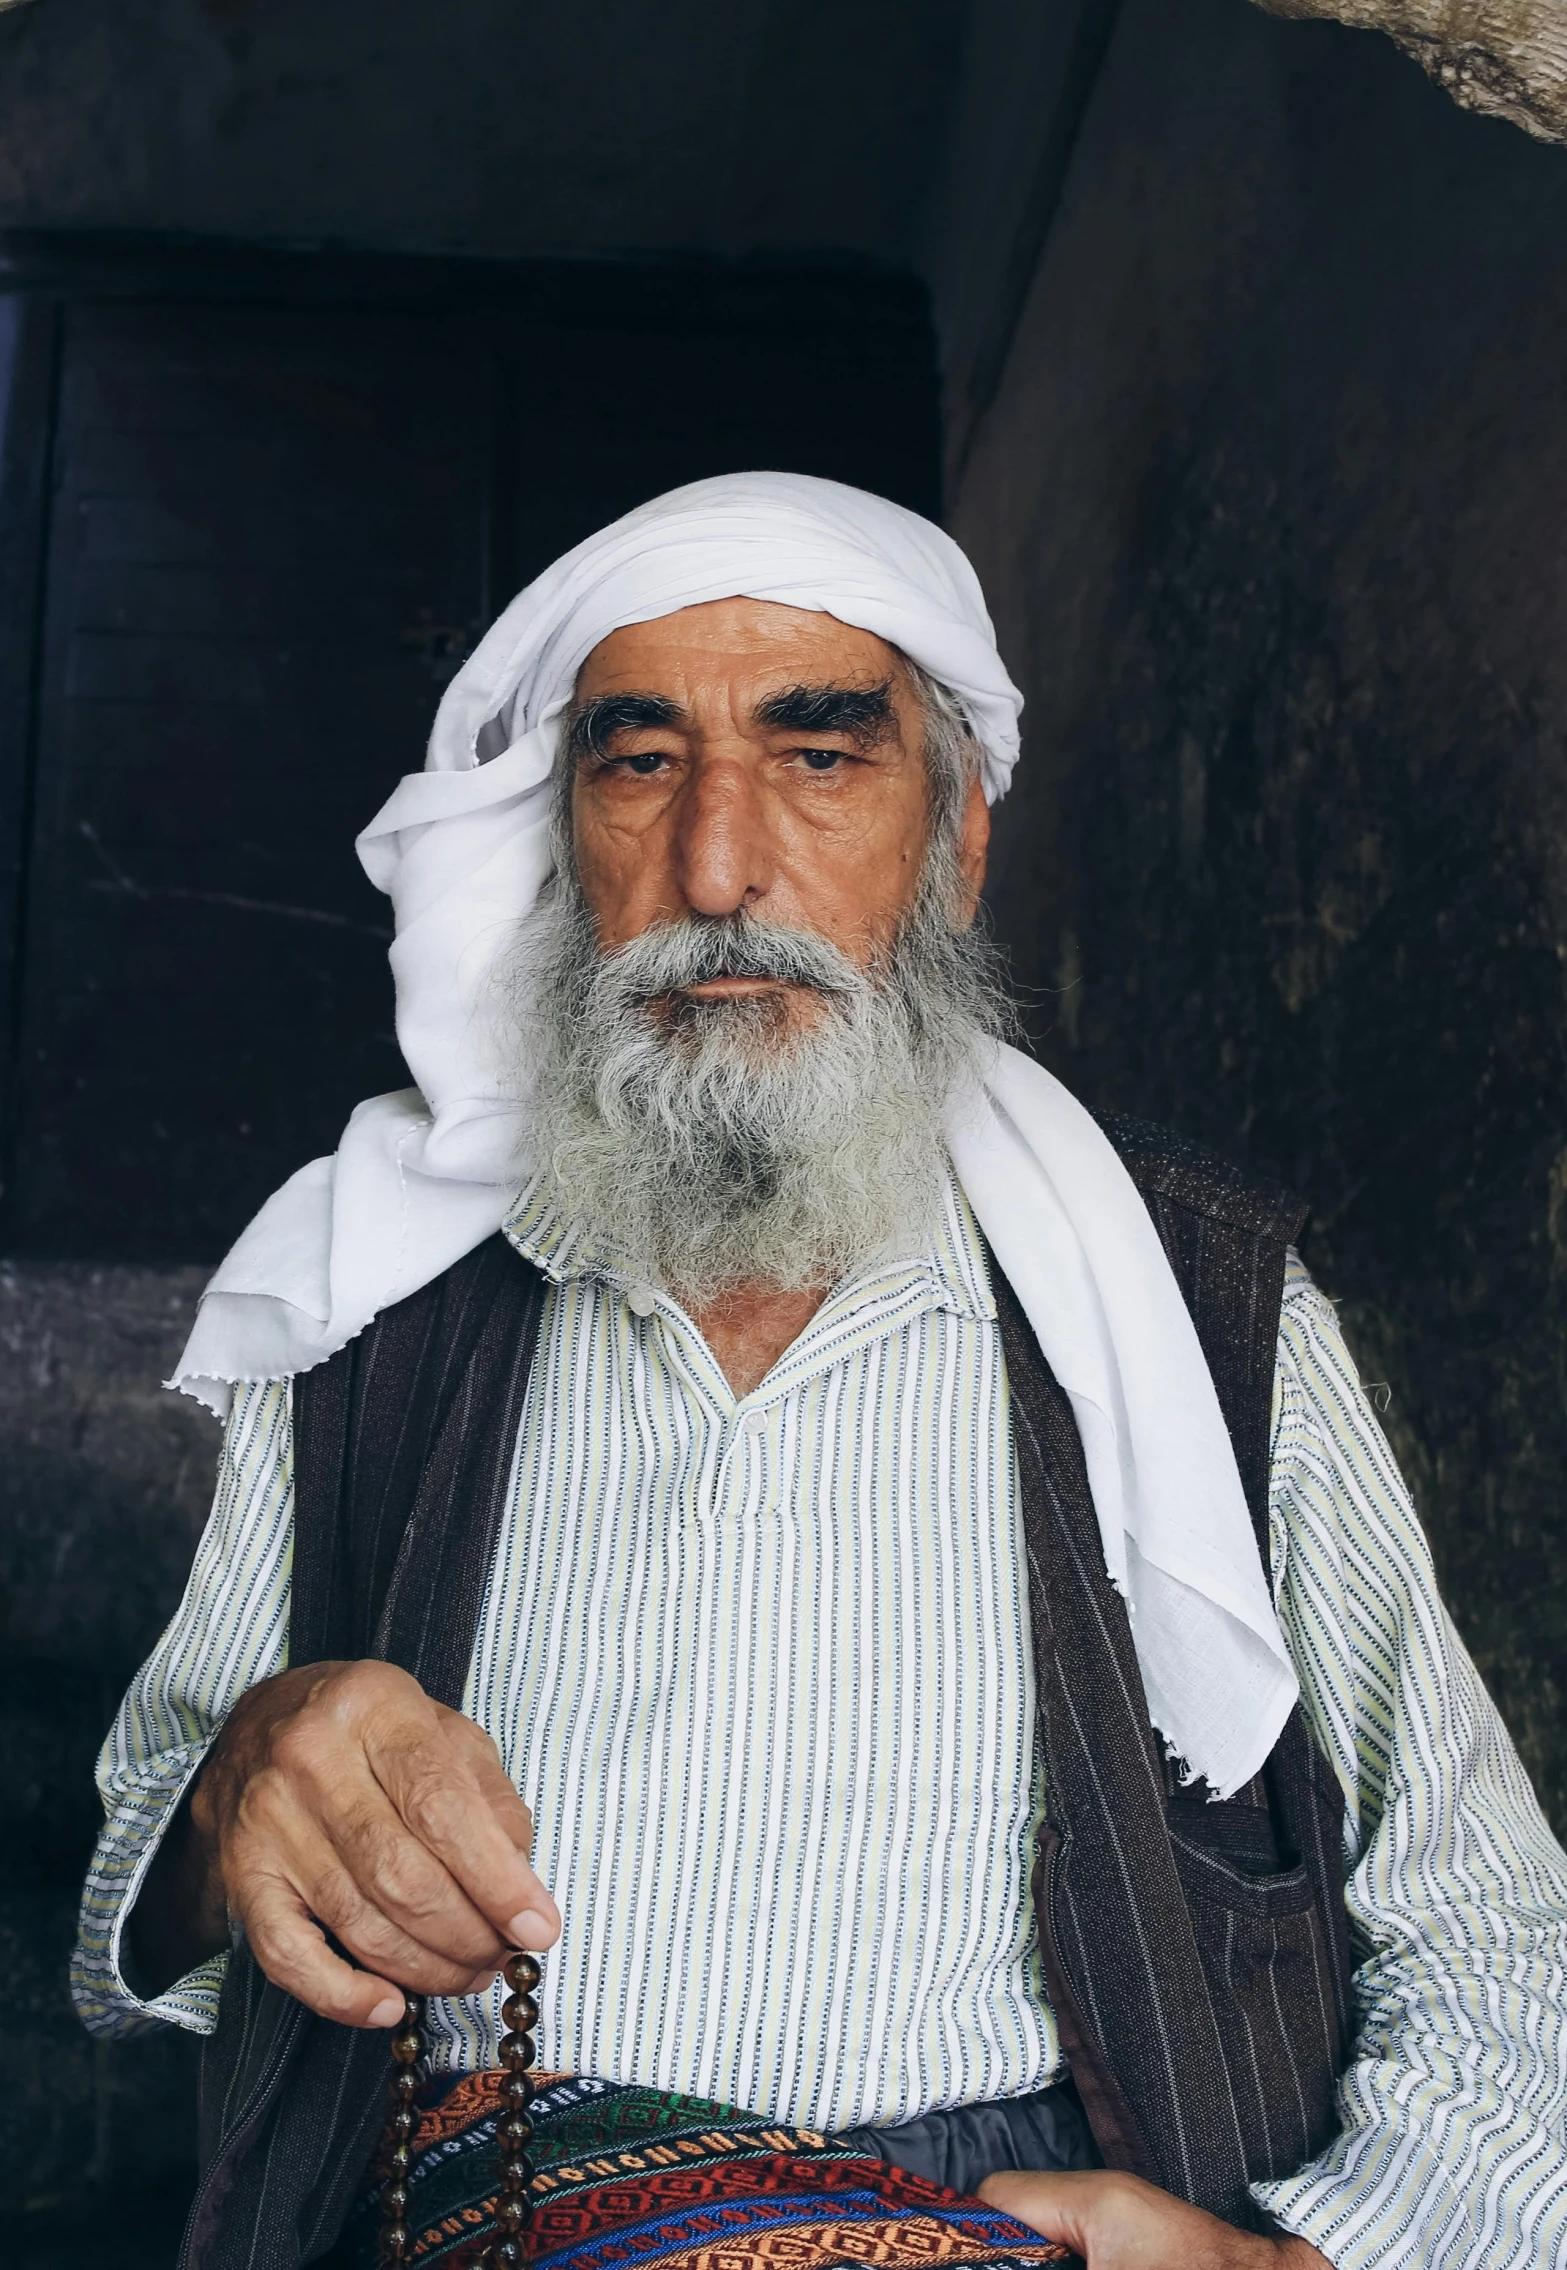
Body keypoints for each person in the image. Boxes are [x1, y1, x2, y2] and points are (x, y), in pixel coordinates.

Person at [73, 475, 1567, 2270]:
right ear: (561, 841)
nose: (719, 868)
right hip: (487, 2203)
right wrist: (239, 1783)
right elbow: (122, 1924)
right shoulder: (372, 1298)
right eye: (640, 765)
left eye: (820, 757)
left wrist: (1317, 2259)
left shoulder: (1200, 1296)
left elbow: (1490, 1918)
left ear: (953, 843)